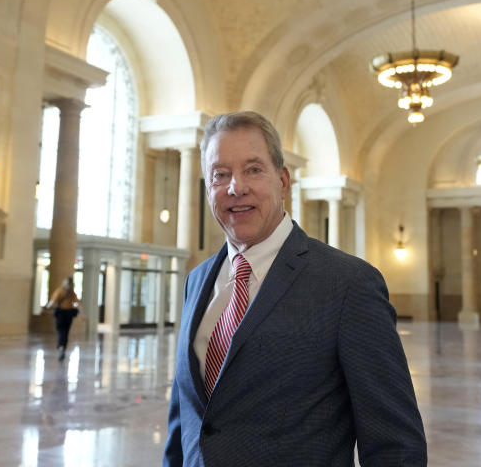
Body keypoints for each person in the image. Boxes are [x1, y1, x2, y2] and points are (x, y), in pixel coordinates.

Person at [163, 111, 426, 466]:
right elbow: (184, 423)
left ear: (283, 182)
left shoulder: (348, 283)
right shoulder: (197, 280)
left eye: (253, 169)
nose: (235, 187)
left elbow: (394, 443)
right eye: (220, 174)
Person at [45, 276, 80, 361]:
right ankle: (62, 347)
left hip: (61, 313)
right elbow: (78, 304)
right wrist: (83, 314)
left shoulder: (60, 291)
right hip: (69, 314)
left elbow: (53, 301)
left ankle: (61, 346)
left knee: (61, 330)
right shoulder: (72, 293)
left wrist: (47, 307)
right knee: (65, 332)